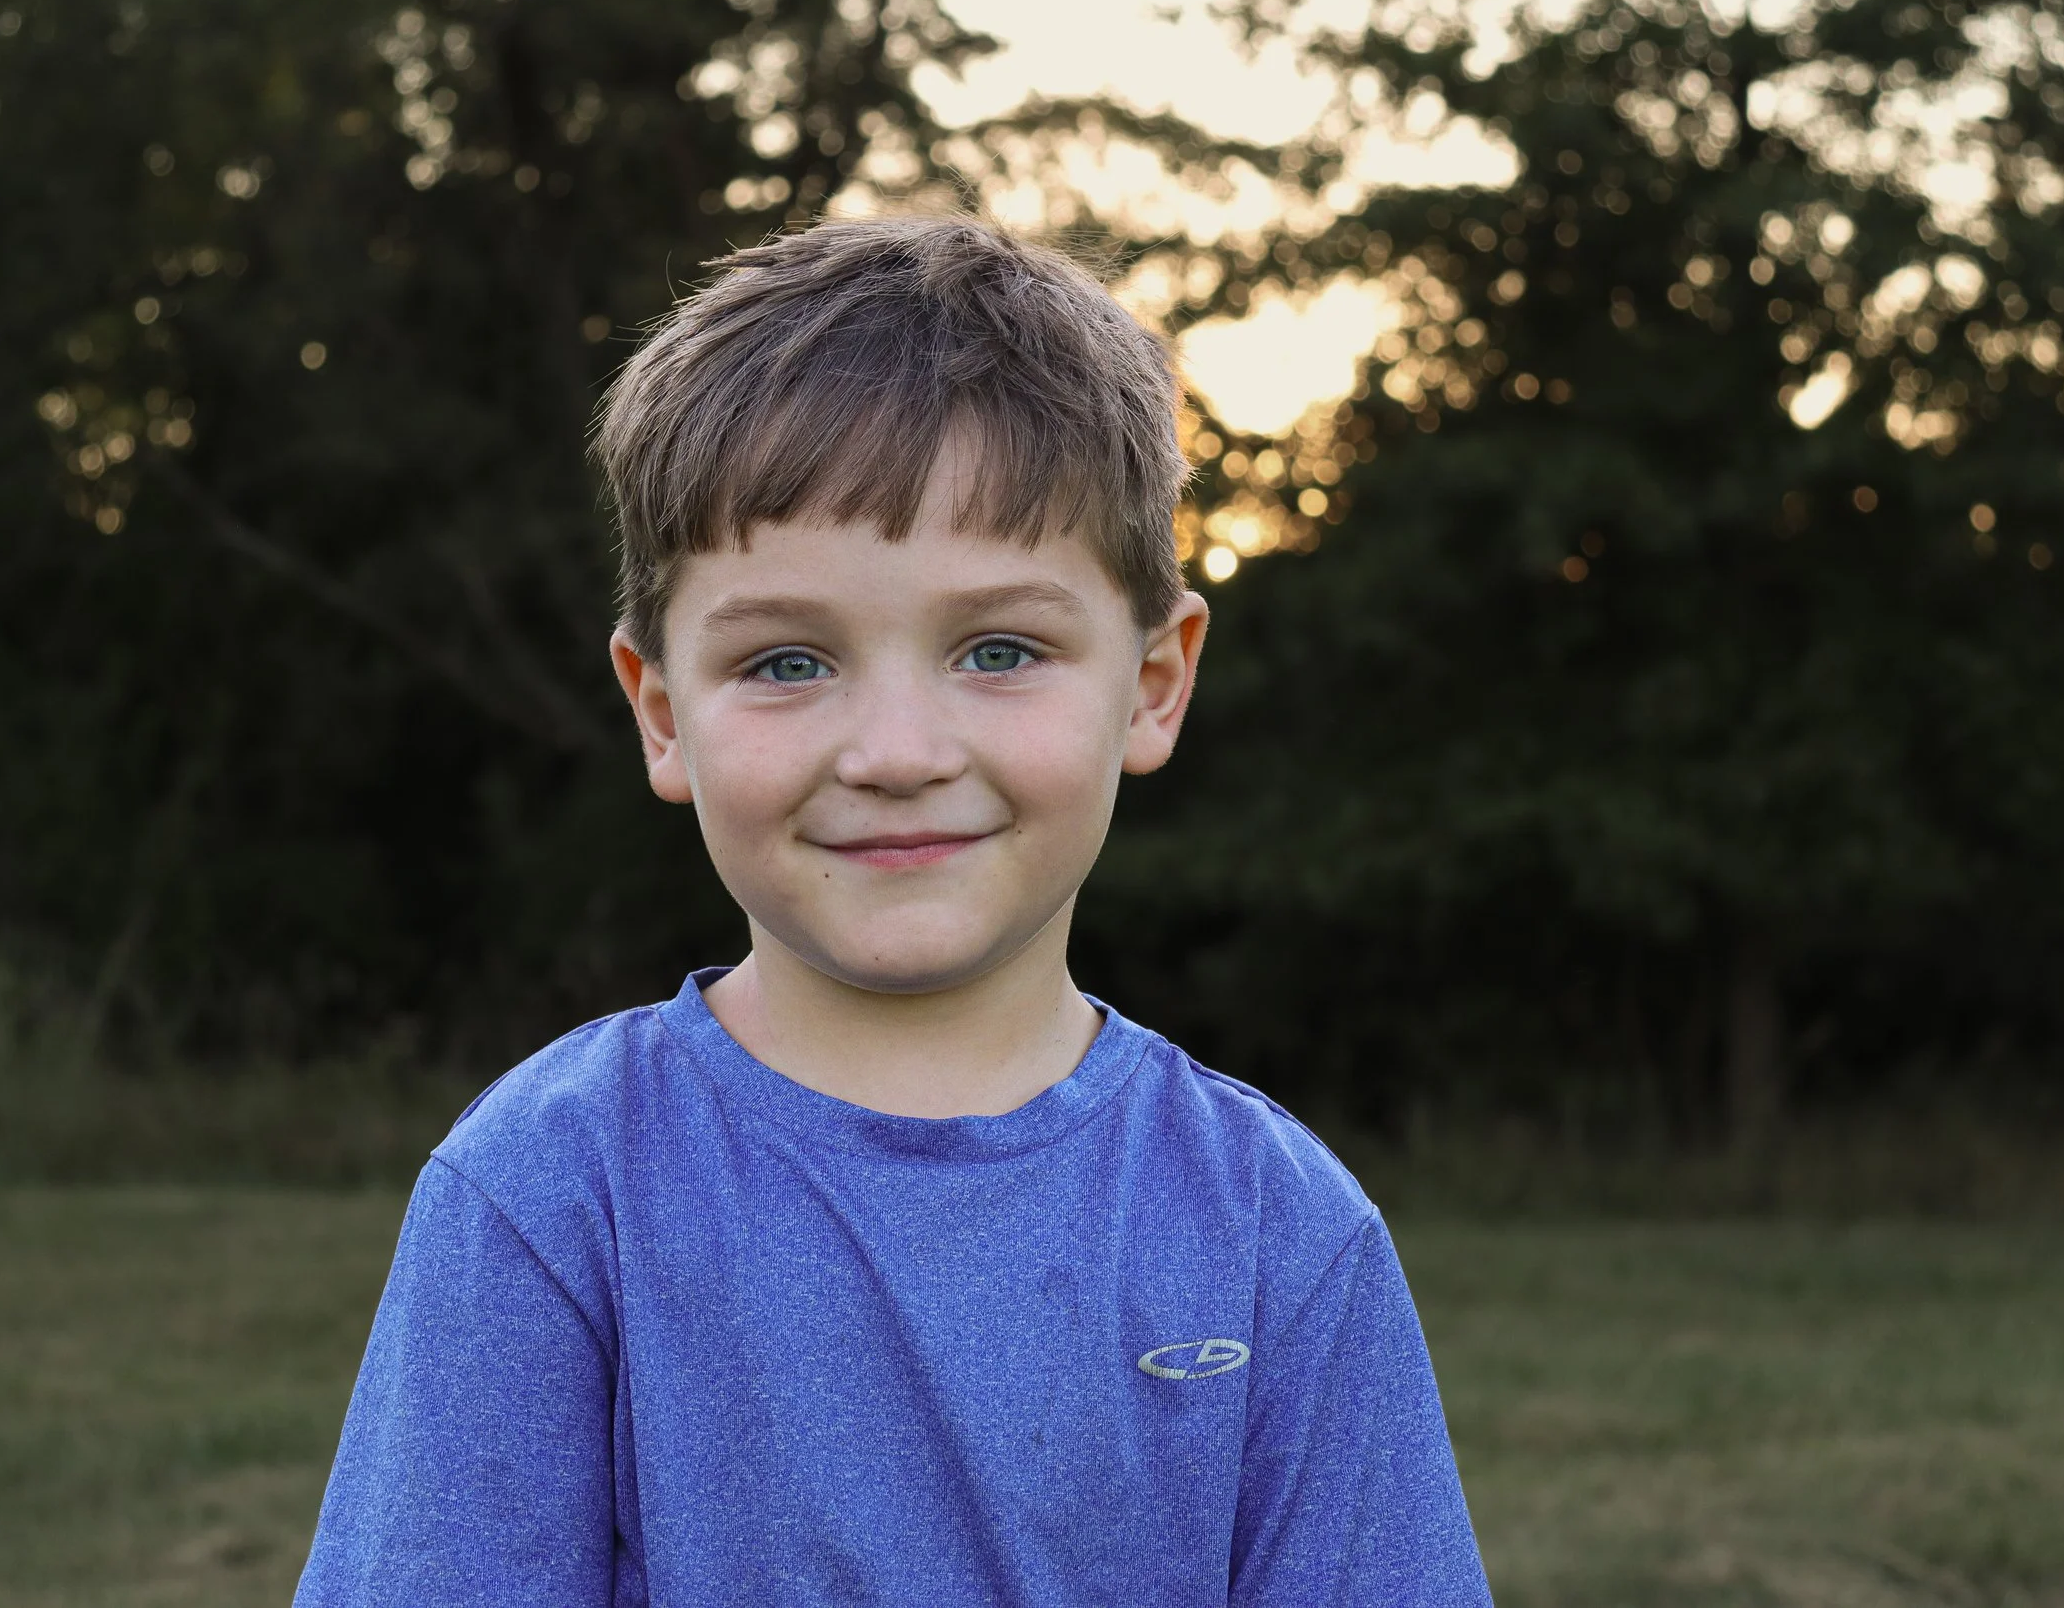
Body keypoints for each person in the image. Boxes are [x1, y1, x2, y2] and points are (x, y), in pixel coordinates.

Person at [294, 215, 1491, 1606]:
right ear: (664, 712)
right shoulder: (552, 1193)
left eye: (999, 649)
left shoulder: (1278, 1232)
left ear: (1154, 682)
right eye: (790, 660)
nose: (898, 748)